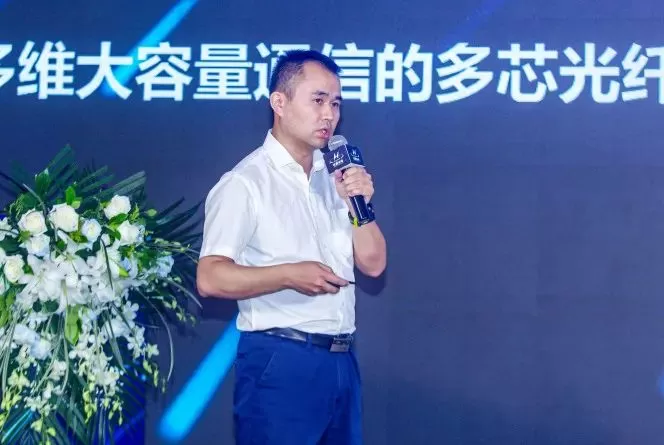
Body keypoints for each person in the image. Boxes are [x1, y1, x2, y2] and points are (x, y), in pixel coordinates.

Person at [196, 49, 387, 445]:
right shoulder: (245, 183)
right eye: (318, 100)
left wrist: (360, 207)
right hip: (280, 360)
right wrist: (288, 275)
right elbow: (210, 277)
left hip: (341, 361)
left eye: (336, 103)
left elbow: (373, 263)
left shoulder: (335, 177)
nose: (329, 115)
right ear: (279, 103)